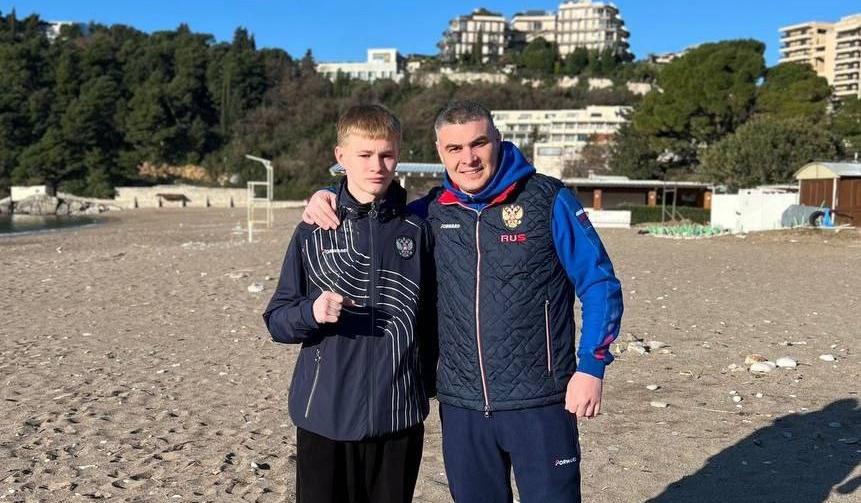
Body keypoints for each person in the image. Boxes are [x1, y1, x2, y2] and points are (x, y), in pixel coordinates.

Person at [302, 100, 623, 503]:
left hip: (540, 401)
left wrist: (591, 366)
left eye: (479, 143)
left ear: (498, 140)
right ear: (440, 151)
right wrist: (327, 195)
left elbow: (599, 284)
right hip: (461, 407)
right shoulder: (429, 213)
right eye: (454, 148)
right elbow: (371, 210)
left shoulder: (547, 200)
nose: (468, 158)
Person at [263, 104, 437, 503]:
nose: (377, 165)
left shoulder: (417, 230)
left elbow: (431, 321)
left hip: (398, 418)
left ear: (398, 154)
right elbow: (276, 319)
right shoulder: (313, 229)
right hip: (323, 417)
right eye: (364, 154)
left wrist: (423, 385)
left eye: (386, 154)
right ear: (340, 156)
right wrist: (311, 312)